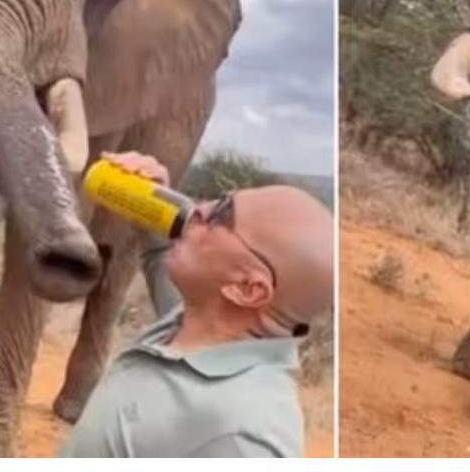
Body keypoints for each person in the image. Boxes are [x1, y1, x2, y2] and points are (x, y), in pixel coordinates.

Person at [58, 151, 334, 458]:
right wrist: (153, 195)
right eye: (218, 199)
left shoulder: (246, 434)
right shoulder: (196, 323)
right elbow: (160, 251)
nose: (198, 209)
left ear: (247, 288)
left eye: (221, 216)